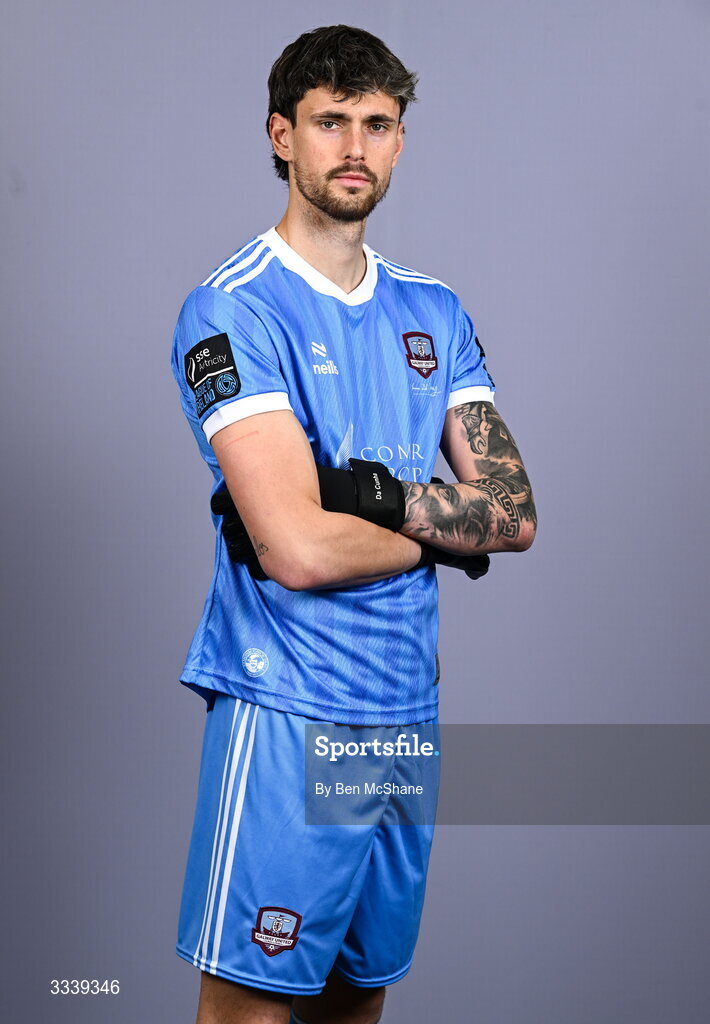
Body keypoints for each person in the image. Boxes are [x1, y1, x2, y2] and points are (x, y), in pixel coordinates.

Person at [170, 24, 536, 1024]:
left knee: (353, 1000)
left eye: (376, 123)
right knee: (249, 1006)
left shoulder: (433, 309)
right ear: (281, 135)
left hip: (403, 712)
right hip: (289, 703)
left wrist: (367, 498)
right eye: (331, 120)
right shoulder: (233, 309)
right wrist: (437, 530)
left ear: (400, 140)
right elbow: (292, 547)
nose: (354, 147)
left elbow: (512, 512)